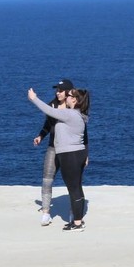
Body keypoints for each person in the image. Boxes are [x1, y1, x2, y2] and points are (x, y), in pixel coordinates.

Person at [28, 85, 90, 231]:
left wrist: (34, 99)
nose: (67, 97)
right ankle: (77, 220)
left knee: (73, 189)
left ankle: (77, 223)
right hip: (77, 153)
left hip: (70, 155)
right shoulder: (78, 114)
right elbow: (50, 121)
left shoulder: (70, 114)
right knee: (76, 188)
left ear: (74, 101)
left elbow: (48, 110)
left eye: (70, 96)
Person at [32, 79, 73, 226]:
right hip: (53, 147)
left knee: (71, 182)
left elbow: (82, 130)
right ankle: (45, 213)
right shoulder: (52, 105)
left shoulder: (73, 107)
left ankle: (73, 212)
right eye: (56, 90)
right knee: (47, 180)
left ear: (68, 92)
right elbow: (48, 125)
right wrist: (40, 136)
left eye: (60, 90)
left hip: (69, 149)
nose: (57, 92)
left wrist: (85, 153)